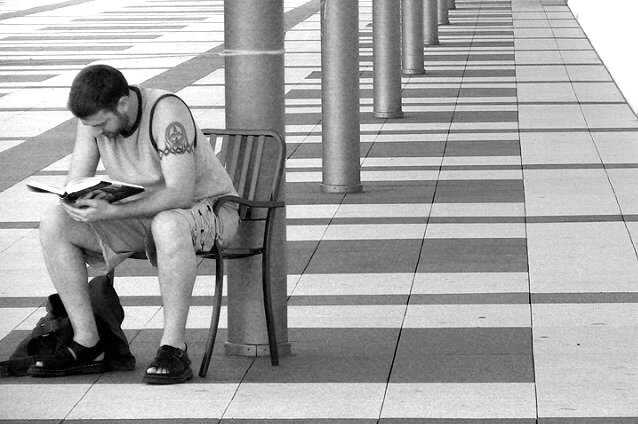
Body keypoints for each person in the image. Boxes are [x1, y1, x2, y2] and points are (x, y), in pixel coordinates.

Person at [30, 64, 239, 384]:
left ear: (123, 104)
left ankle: (173, 347)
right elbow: (78, 178)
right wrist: (77, 200)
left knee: (168, 224)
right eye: (91, 126)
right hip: (141, 212)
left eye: (101, 124)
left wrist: (111, 213)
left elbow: (180, 194)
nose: (97, 133)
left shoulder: (167, 113)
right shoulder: (94, 119)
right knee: (55, 221)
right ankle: (88, 341)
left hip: (207, 210)